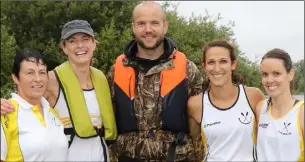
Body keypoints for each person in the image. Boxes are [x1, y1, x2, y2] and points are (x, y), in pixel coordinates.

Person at [0, 20, 117, 161]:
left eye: (85, 39)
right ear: (64, 47)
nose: (80, 45)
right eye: (72, 41)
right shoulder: (50, 79)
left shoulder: (101, 78)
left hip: (100, 153)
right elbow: (23, 97)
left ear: (94, 44)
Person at [106, 1, 204, 161]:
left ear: (165, 26)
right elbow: (107, 121)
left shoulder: (188, 69)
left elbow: (201, 125)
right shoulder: (116, 70)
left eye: (154, 23)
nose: (148, 29)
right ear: (133, 27)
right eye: (141, 23)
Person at [187, 40, 266, 161]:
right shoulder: (195, 104)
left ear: (233, 64)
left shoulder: (253, 96)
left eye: (223, 61)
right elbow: (193, 143)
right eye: (211, 62)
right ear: (204, 66)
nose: (217, 68)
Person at [1, 48, 68, 161]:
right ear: (15, 78)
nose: (38, 79)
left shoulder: (52, 113)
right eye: (30, 73)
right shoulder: (5, 113)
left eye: (42, 73)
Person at [256, 48, 304, 161]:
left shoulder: (301, 112)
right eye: (265, 74)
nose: (269, 80)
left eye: (276, 74)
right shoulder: (260, 108)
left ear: (290, 74)